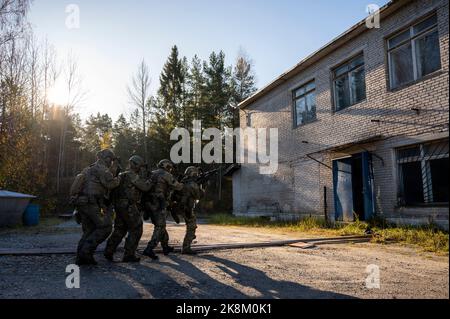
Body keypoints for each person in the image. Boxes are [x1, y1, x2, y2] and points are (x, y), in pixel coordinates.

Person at [72, 149, 120, 266]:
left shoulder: (88, 168)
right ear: (106, 158)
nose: (111, 162)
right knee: (106, 227)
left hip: (82, 203)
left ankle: (80, 258)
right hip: (92, 203)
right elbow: (110, 183)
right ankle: (86, 253)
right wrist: (119, 178)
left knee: (89, 230)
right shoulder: (102, 169)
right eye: (111, 159)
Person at [104, 155, 151, 263]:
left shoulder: (122, 174)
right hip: (128, 206)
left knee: (120, 229)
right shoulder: (132, 175)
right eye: (140, 165)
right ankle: (129, 254)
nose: (141, 168)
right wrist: (151, 180)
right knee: (136, 228)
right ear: (134, 164)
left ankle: (109, 251)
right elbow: (145, 187)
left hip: (119, 205)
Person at [142, 159, 183, 260]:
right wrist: (183, 184)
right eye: (170, 168)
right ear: (167, 166)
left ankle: (165, 247)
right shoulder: (166, 174)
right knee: (160, 226)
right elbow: (177, 186)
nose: (170, 170)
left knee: (161, 225)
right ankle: (149, 248)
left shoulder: (152, 173)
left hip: (149, 203)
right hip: (159, 204)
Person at [171, 166, 205, 255]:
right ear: (193, 174)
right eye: (195, 174)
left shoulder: (183, 181)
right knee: (191, 226)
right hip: (187, 208)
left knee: (191, 225)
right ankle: (186, 248)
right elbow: (199, 196)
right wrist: (202, 186)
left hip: (181, 207)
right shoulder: (192, 184)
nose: (196, 175)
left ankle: (187, 242)